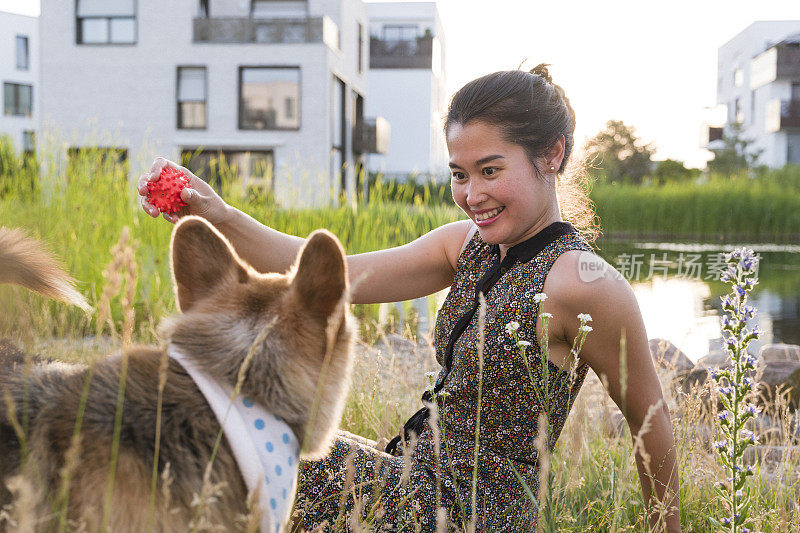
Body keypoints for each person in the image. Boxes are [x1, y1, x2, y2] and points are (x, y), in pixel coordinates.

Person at [139, 64, 680, 532]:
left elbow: (650, 422)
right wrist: (220, 215)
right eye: (459, 175)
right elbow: (336, 274)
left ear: (552, 155)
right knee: (260, 427)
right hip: (412, 483)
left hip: (472, 515)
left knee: (257, 442)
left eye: (490, 170)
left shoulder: (584, 284)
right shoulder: (463, 246)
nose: (473, 195)